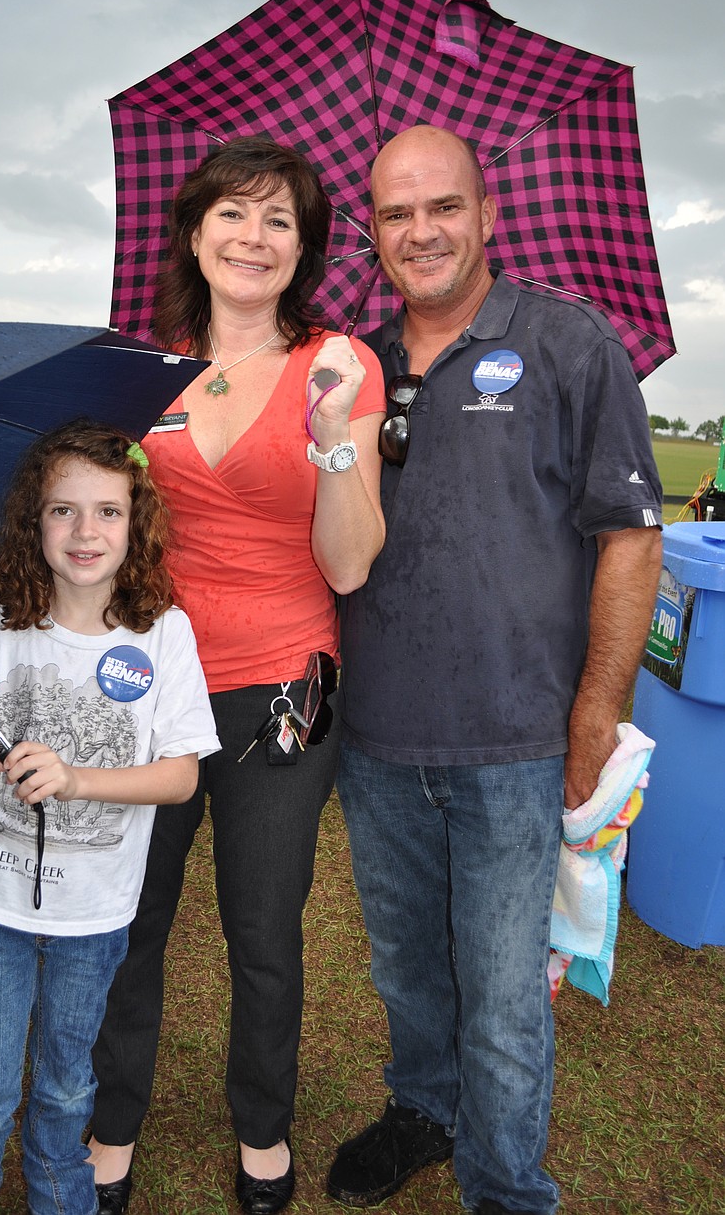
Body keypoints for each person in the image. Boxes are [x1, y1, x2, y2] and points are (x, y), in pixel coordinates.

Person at [327, 125, 664, 1215]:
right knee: (409, 971)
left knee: (506, 997)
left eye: (442, 207)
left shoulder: (569, 345)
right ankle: (423, 1109)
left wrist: (597, 712)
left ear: (485, 213)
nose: (419, 231)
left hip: (518, 742)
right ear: (371, 230)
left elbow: (628, 535)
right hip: (377, 741)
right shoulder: (358, 364)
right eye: (393, 213)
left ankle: (508, 1187)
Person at [88, 136, 386, 1215]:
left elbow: (350, 562)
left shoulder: (338, 366)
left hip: (278, 690)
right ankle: (109, 1123)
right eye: (233, 214)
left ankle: (262, 1130)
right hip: (148, 687)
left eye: (279, 222)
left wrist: (331, 442)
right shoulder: (144, 371)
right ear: (195, 230)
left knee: (263, 929)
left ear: (301, 250)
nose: (252, 238)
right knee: (132, 920)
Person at [0, 419, 220, 1215]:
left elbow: (183, 775)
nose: (85, 531)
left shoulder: (166, 634)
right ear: (33, 522)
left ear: (137, 521)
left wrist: (77, 776)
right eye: (62, 510)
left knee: (65, 1084)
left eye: (108, 511)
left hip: (95, 911)